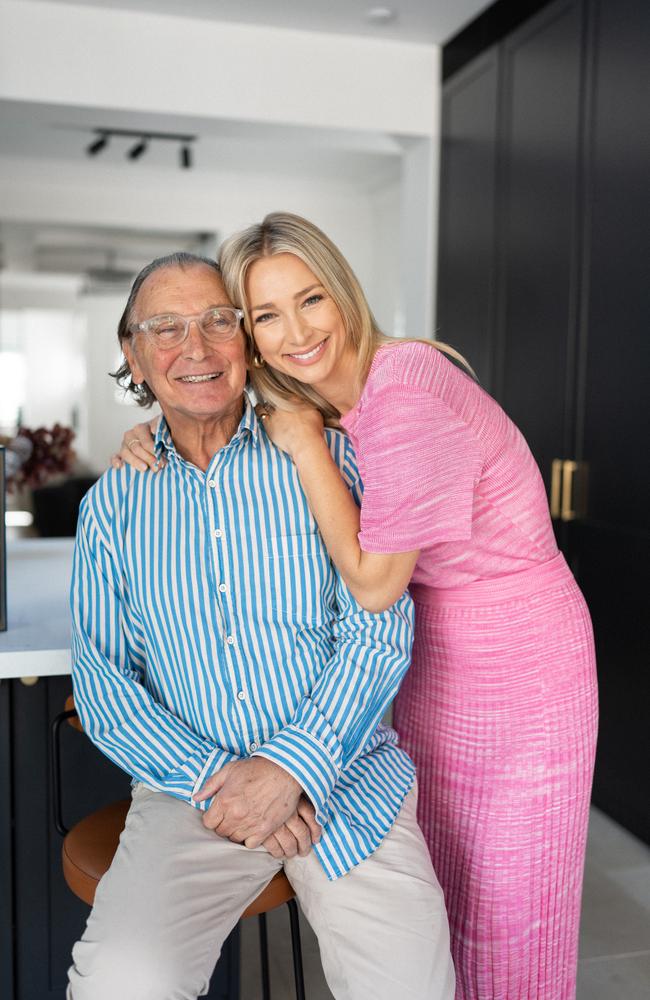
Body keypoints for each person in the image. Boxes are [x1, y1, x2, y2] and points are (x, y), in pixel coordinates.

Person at [119, 215, 599, 1000]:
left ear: (343, 294)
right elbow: (206, 411)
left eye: (311, 300)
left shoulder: (405, 389)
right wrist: (150, 436)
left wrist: (306, 444)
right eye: (267, 315)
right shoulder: (318, 399)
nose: (296, 331)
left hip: (523, 667)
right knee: (447, 890)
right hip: (430, 660)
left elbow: (376, 585)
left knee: (514, 906)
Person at [68, 251, 455, 1000]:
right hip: (190, 795)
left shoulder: (332, 457)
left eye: (220, 320)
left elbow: (378, 630)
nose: (198, 347)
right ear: (134, 354)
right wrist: (228, 789)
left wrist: (292, 770)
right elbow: (104, 683)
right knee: (119, 984)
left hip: (347, 776)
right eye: (167, 328)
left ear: (246, 340)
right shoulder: (111, 506)